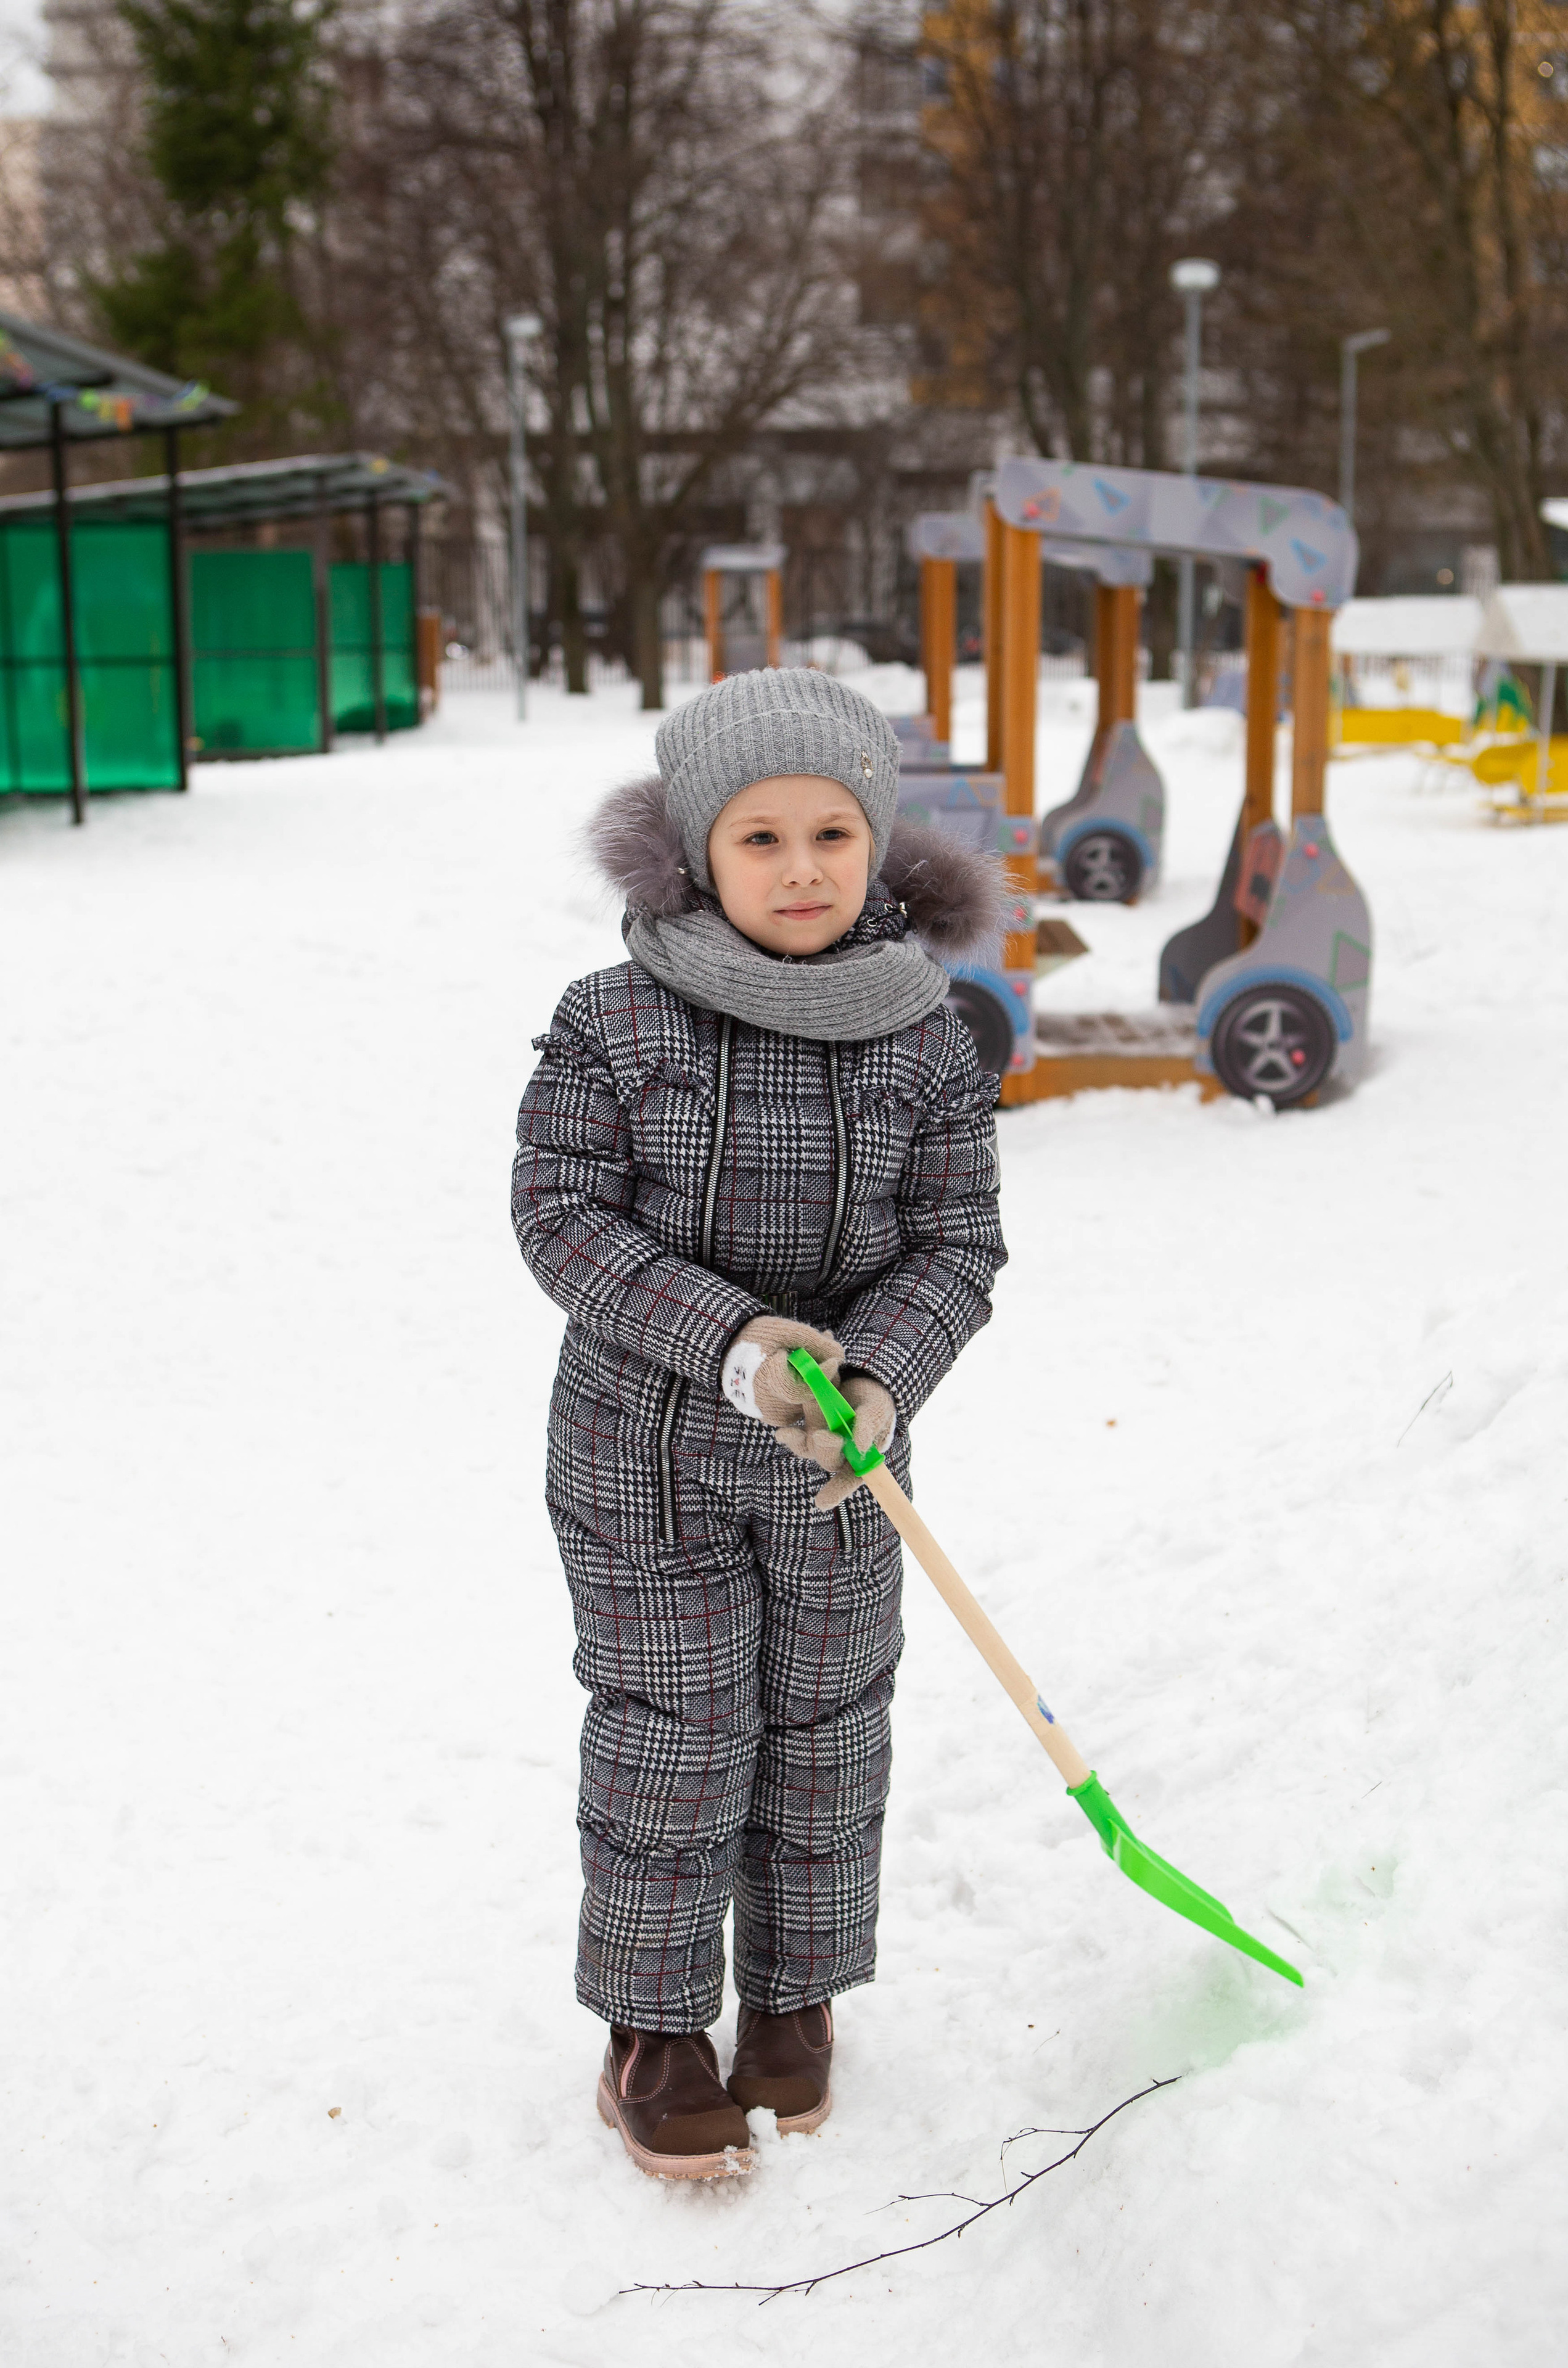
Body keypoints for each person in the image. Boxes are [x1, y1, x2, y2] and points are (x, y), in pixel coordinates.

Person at [511, 667, 1008, 2181]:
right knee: (679, 1727)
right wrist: (732, 1342)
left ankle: (795, 1994)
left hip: (839, 1473)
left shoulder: (928, 1034)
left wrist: (876, 1376)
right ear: (689, 854)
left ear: (879, 849)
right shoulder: (611, 1021)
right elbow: (561, 1216)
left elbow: (956, 1244)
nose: (799, 870)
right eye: (759, 839)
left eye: (831, 837)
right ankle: (654, 2033)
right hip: (643, 1459)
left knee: (824, 1727)